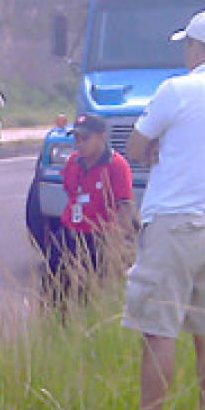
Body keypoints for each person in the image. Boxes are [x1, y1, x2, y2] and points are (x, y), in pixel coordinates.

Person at [123, 9, 205, 410]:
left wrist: (162, 148)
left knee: (159, 328)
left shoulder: (177, 90)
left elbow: (137, 146)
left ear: (196, 49)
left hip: (177, 220)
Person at [45, 113, 134, 303]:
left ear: (101, 137)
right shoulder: (73, 162)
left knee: (92, 295)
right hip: (70, 234)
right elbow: (70, 192)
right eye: (76, 138)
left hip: (99, 239)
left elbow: (124, 207)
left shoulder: (116, 166)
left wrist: (116, 244)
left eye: (85, 138)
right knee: (56, 291)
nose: (79, 144)